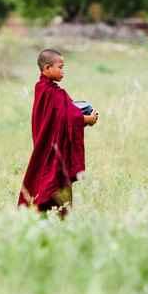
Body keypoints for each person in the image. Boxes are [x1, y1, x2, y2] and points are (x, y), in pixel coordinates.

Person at [18, 48, 98, 217]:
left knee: (46, 179)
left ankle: (46, 216)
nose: (63, 71)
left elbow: (64, 116)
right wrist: (87, 120)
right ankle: (60, 219)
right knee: (56, 182)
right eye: (60, 67)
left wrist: (79, 116)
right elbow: (64, 119)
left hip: (49, 147)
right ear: (47, 68)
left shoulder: (43, 88)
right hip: (53, 150)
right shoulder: (51, 93)